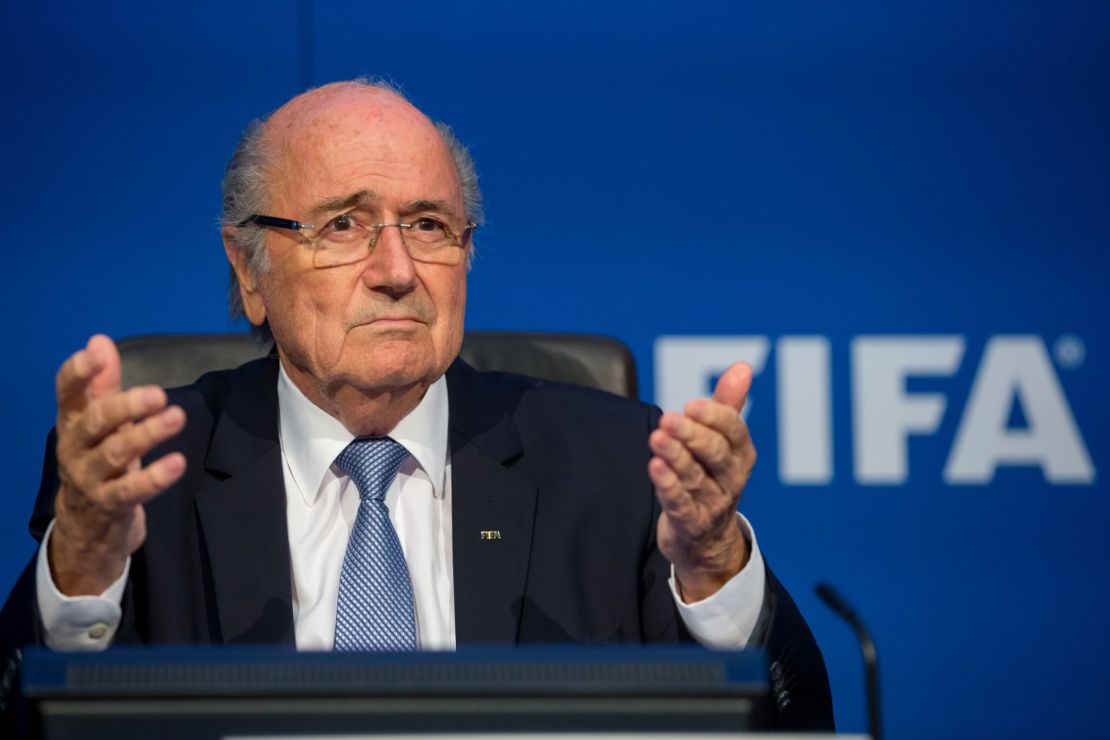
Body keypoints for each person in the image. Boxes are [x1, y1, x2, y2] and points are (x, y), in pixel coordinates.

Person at [0, 80, 833, 730]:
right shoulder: (144, 480)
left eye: (429, 225)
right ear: (249, 270)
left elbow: (797, 724)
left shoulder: (621, 469)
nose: (397, 268)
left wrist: (717, 560)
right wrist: (82, 565)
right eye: (343, 226)